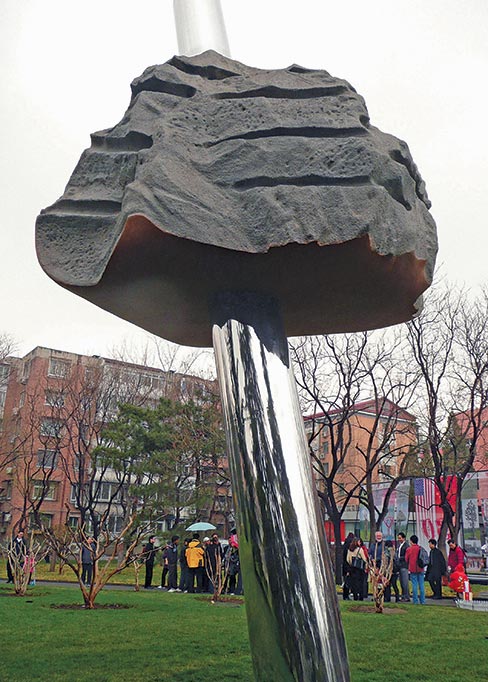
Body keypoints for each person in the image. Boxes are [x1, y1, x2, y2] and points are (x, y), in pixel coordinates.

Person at [405, 534, 426, 605]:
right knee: (421, 584)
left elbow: (406, 559)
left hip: (412, 568)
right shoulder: (420, 548)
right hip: (420, 568)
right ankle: (423, 601)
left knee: (414, 585)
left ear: (411, 541)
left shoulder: (409, 549)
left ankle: (415, 601)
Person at [395, 532, 410, 602]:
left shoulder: (406, 546)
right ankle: (403, 595)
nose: (399, 539)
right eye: (398, 538)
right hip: (399, 565)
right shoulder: (399, 545)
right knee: (401, 581)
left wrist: (400, 558)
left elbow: (407, 556)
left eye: (400, 538)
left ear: (403, 538)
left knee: (405, 582)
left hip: (404, 565)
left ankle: (406, 596)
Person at [342, 532, 355, 600]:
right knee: (348, 582)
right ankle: (346, 595)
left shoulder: (345, 546)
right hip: (348, 567)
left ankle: (345, 595)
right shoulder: (349, 548)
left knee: (346, 581)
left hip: (344, 567)